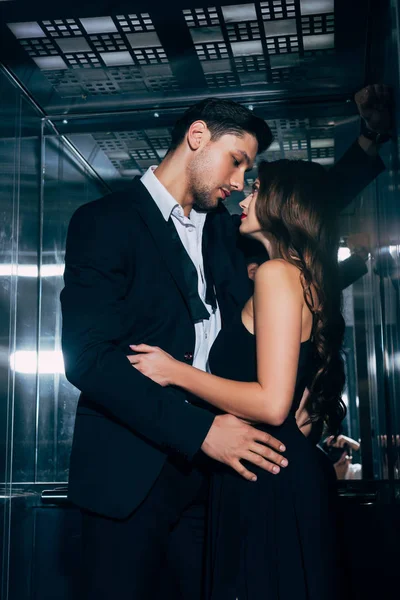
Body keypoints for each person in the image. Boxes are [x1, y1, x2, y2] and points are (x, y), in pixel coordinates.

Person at [61, 87, 390, 599]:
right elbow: (88, 359)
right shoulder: (104, 223)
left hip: (219, 486)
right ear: (197, 138)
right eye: (236, 162)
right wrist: (201, 431)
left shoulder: (226, 232)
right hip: (128, 482)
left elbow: (305, 204)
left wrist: (370, 140)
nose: (240, 184)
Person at [128, 158, 348, 599]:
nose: (245, 197)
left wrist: (175, 372)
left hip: (269, 476)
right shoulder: (298, 276)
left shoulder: (277, 274)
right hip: (267, 467)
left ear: (285, 204)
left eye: (259, 188)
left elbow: (271, 404)